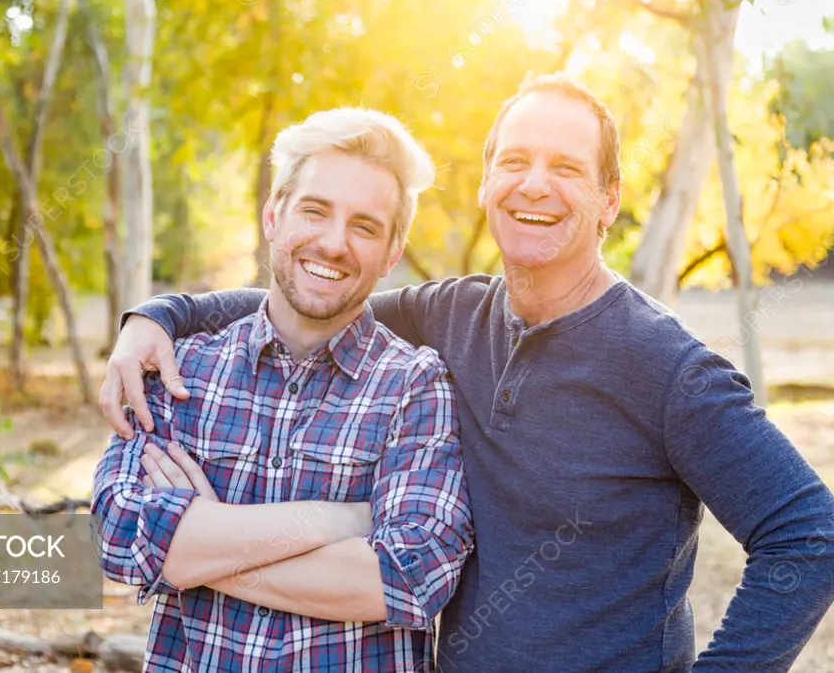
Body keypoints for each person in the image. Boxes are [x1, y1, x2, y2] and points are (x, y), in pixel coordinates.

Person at [101, 74, 834, 672]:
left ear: (610, 200)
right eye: (514, 161)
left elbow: (809, 533)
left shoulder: (666, 367)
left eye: (567, 168)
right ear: (486, 184)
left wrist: (196, 552)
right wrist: (160, 315)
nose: (534, 185)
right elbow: (319, 289)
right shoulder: (454, 313)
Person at [92, 107, 474, 672]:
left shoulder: (414, 386)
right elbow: (120, 536)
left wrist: (201, 539)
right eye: (315, 212)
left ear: (393, 253)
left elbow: (409, 578)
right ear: (274, 214)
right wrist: (335, 521)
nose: (334, 243)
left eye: (365, 226)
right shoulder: (183, 370)